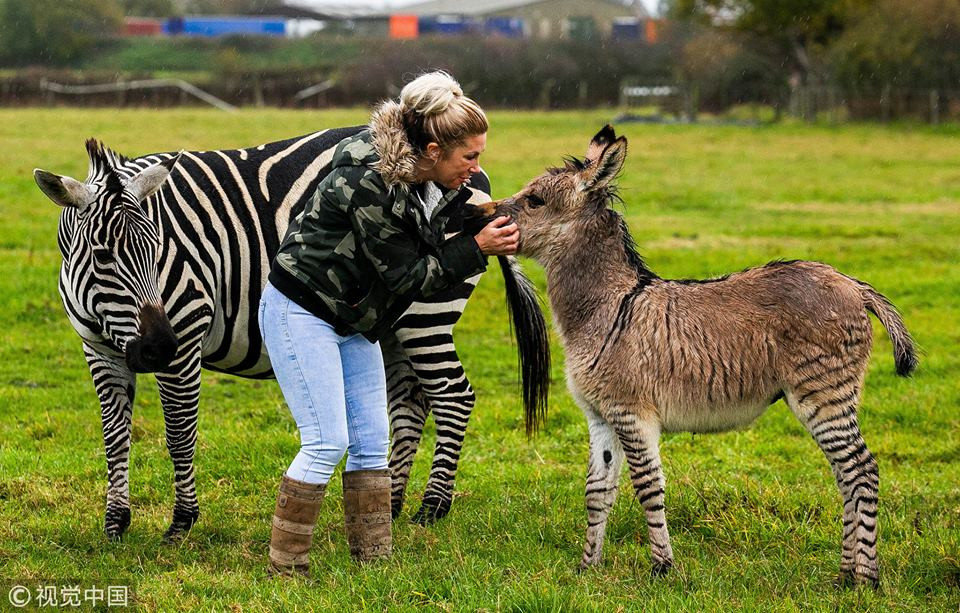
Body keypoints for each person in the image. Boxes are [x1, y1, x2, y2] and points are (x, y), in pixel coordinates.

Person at [258, 71, 518, 576]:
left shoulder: (422, 172)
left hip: (354, 317)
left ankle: (372, 561)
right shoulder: (368, 182)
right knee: (327, 440)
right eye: (470, 157)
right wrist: (477, 248)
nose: (476, 167)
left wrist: (478, 222)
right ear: (434, 148)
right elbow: (406, 273)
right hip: (302, 311)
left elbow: (431, 229)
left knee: (373, 438)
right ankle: (284, 569)